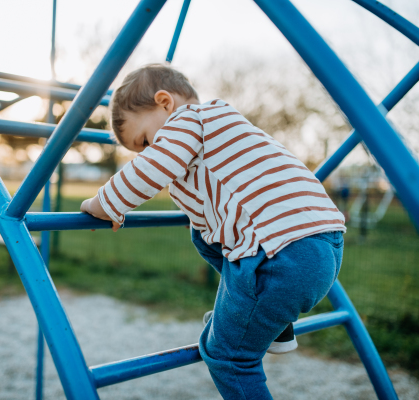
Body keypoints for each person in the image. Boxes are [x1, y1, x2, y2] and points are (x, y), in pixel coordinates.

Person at [80, 64, 345, 399]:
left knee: (227, 356)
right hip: (325, 242)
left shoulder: (188, 121)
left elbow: (152, 169)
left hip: (283, 253)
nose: (148, 152)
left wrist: (105, 203)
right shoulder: (225, 129)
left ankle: (250, 314)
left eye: (144, 140)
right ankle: (273, 327)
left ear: (165, 103)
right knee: (201, 232)